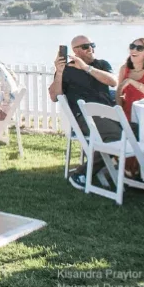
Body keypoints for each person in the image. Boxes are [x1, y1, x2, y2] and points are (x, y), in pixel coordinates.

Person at [47, 35, 119, 189]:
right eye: (86, 47)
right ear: (75, 51)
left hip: (109, 114)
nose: (90, 49)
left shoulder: (101, 64)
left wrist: (87, 68)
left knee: (138, 131)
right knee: (117, 137)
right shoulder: (67, 70)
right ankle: (82, 174)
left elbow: (113, 81)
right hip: (85, 118)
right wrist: (59, 72)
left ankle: (128, 172)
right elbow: (54, 96)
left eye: (92, 45)